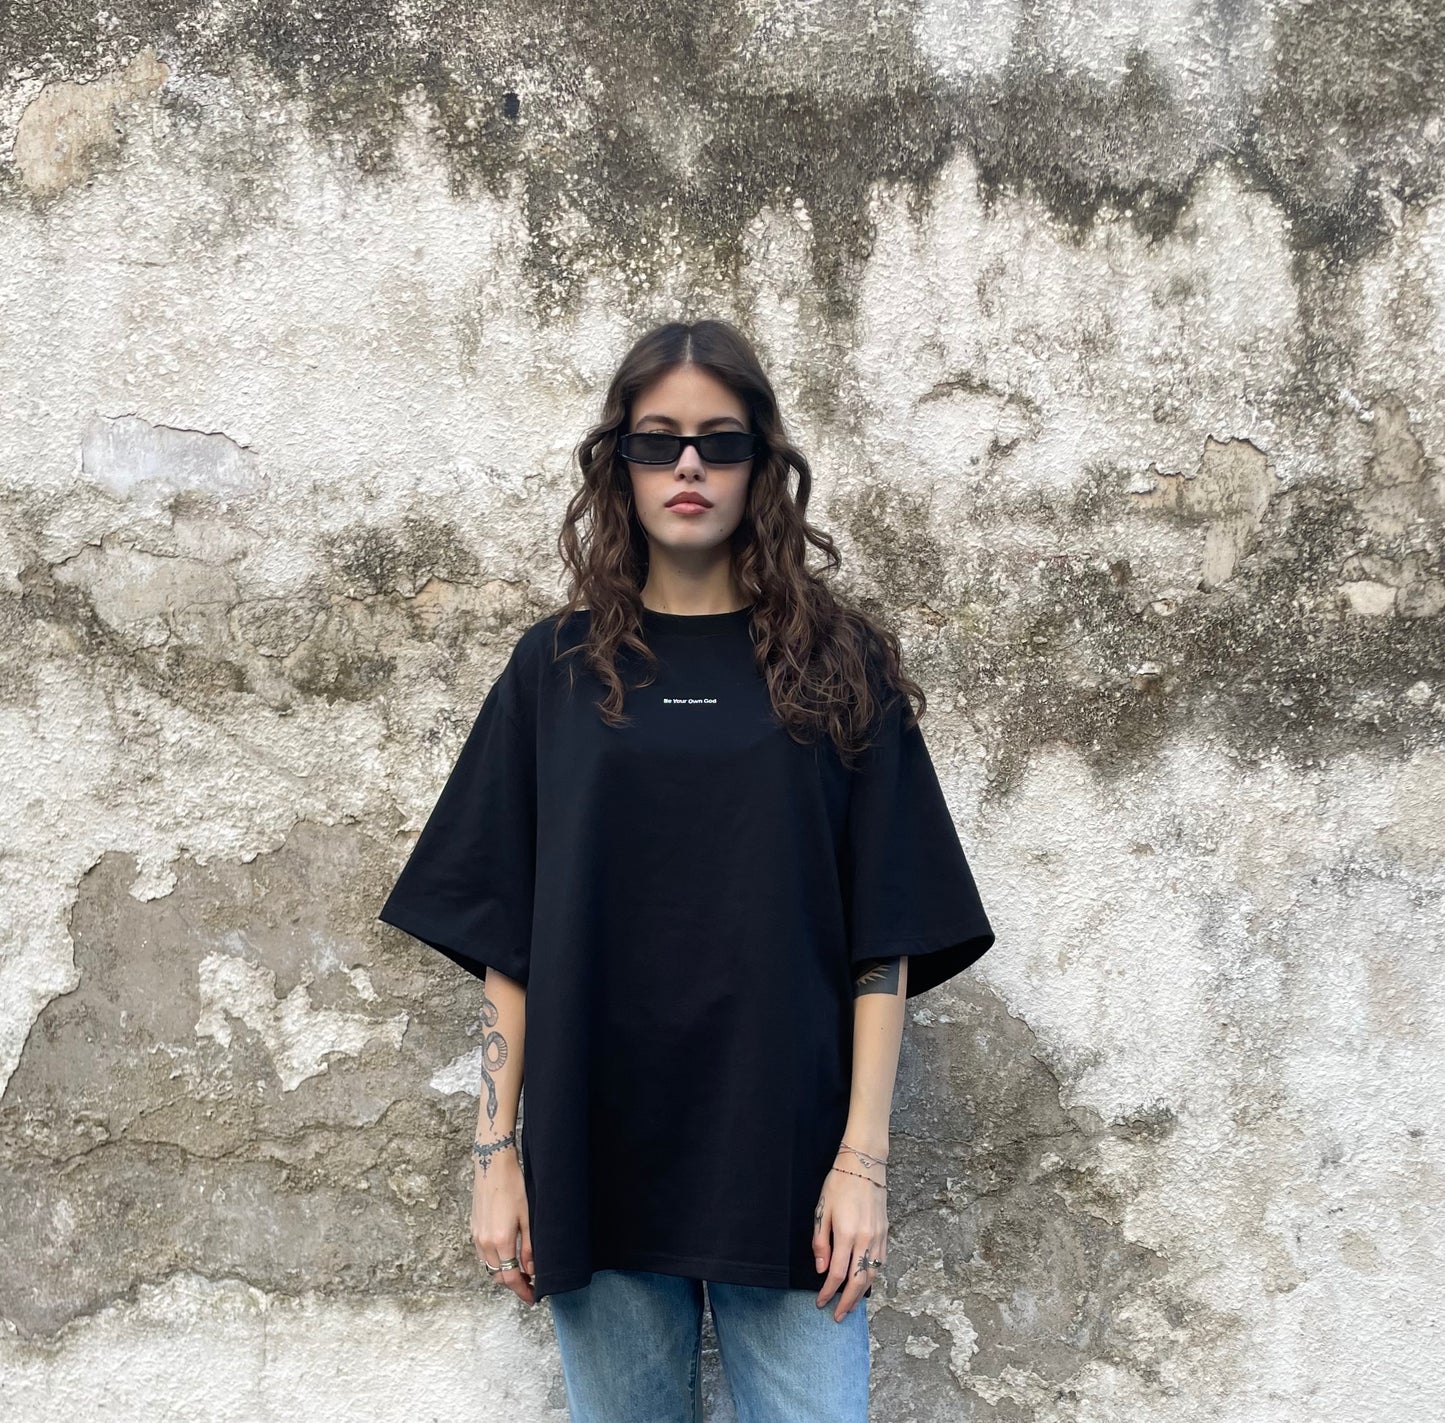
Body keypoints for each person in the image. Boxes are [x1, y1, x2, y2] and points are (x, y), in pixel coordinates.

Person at [377, 317, 995, 1422]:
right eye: (656, 442)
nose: (689, 467)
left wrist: (863, 1160)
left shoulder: (838, 664)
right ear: (619, 464)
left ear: (763, 464)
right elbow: (507, 940)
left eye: (719, 440)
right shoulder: (554, 674)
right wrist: (494, 1155)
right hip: (594, 1147)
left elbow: (885, 936)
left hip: (790, 1159)